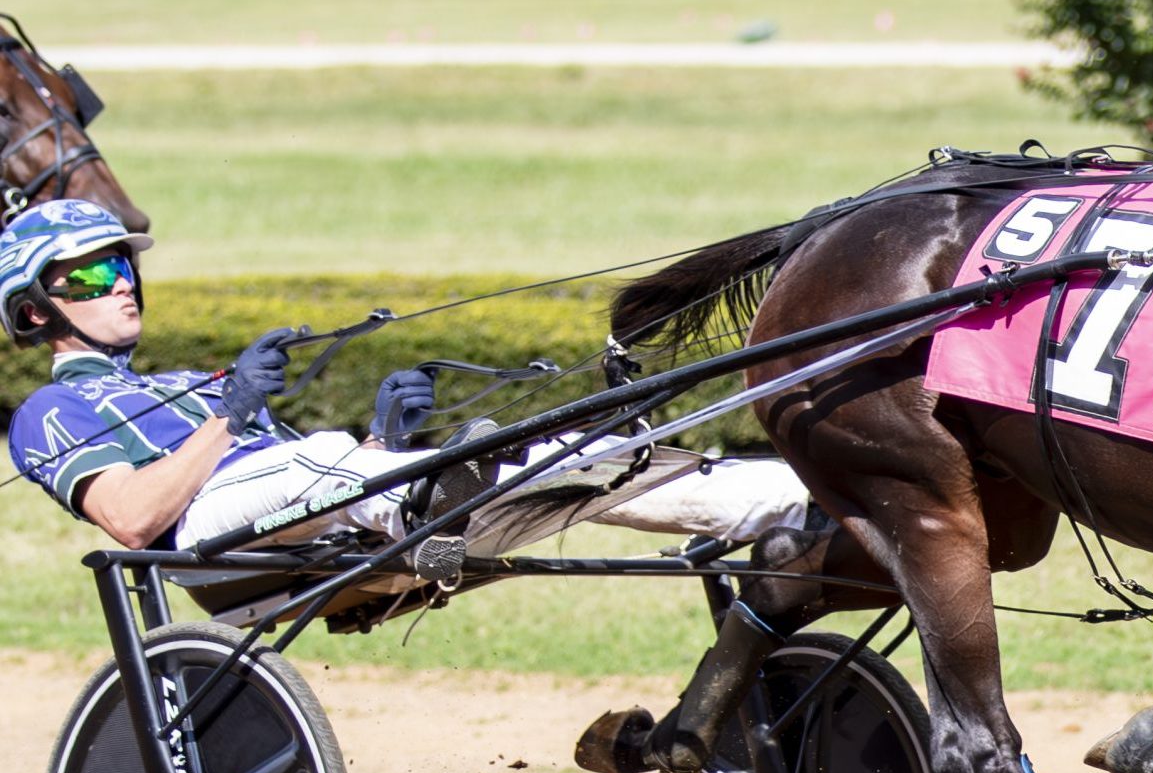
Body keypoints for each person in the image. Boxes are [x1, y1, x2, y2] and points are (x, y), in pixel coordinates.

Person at [2, 198, 810, 554]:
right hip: (213, 526)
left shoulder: (183, 377)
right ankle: (430, 488)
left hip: (310, 498)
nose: (116, 284)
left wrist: (385, 438)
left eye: (119, 266)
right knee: (322, 453)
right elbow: (134, 519)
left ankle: (790, 500)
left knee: (570, 452)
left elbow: (311, 490)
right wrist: (233, 417)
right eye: (83, 276)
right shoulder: (45, 411)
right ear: (36, 311)